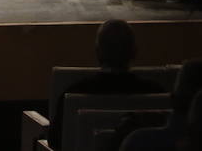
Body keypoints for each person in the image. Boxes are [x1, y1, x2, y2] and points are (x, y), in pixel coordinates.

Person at [46, 19, 166, 151]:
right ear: (134, 52)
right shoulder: (157, 94)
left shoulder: (74, 92)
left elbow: (55, 142)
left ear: (97, 52)